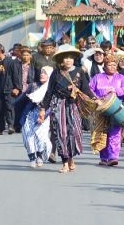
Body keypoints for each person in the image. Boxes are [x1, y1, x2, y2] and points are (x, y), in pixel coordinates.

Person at [39, 44, 95, 173]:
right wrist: (43, 109)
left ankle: (71, 158)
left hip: (74, 106)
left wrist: (95, 99)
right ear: (61, 60)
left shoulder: (80, 71)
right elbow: (49, 92)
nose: (68, 60)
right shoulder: (56, 73)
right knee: (61, 133)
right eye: (65, 58)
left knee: (74, 133)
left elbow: (86, 90)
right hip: (59, 105)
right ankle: (64, 161)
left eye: (70, 58)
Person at [89, 56, 124, 166]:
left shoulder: (121, 78)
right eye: (109, 65)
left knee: (115, 132)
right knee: (102, 132)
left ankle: (113, 157)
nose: (112, 67)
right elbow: (90, 89)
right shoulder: (97, 77)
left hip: (116, 108)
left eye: (114, 65)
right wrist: (96, 99)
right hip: (101, 108)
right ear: (104, 66)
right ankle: (103, 157)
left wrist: (116, 90)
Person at [20, 65, 54, 168]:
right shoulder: (33, 86)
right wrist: (11, 104)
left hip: (44, 115)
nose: (42, 74)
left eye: (45, 73)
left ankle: (40, 156)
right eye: (41, 72)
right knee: (28, 136)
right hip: (30, 114)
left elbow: (52, 104)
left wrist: (43, 116)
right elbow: (22, 98)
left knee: (41, 138)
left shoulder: (51, 89)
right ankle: (32, 157)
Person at [0, 43, 21, 135]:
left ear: (0, 51)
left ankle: (11, 126)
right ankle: (0, 128)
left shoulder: (11, 62)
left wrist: (17, 87)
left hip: (9, 88)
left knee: (9, 108)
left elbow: (16, 75)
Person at [13, 46, 35, 132]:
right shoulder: (17, 65)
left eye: (27, 55)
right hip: (19, 89)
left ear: (30, 56)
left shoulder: (33, 66)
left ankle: (27, 125)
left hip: (30, 89)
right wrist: (15, 87)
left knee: (29, 109)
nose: (25, 57)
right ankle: (18, 126)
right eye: (24, 55)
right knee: (18, 108)